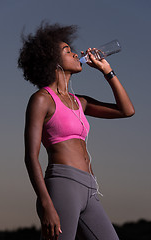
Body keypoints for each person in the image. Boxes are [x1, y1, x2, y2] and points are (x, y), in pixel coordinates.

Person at [18, 22, 135, 240]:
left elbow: (126, 110)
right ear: (52, 61)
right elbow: (30, 157)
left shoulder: (80, 101)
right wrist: (46, 203)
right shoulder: (42, 99)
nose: (76, 54)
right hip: (62, 186)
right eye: (67, 51)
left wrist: (107, 71)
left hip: (90, 188)